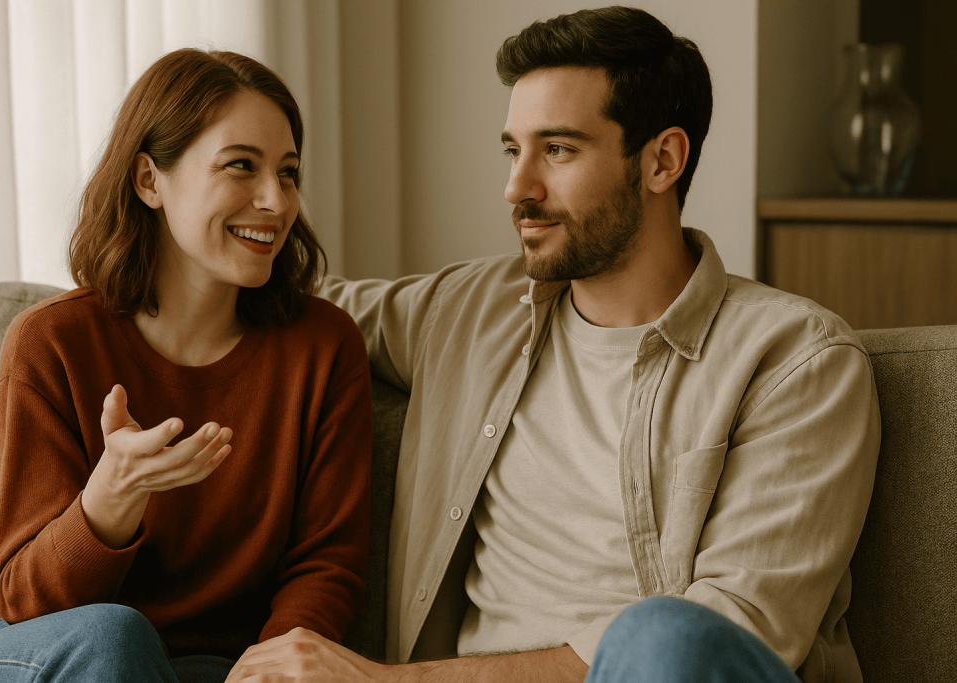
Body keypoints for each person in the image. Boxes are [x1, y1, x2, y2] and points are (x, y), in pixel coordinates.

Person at [222, 6, 881, 683]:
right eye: (514, 151)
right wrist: (172, 236)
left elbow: (730, 627)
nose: (517, 188)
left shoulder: (795, 362)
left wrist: (386, 682)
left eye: (558, 150)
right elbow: (273, 301)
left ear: (662, 160)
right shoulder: (468, 312)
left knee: (663, 635)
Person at [0, 49, 372, 682]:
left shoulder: (323, 348)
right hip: (18, 647)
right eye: (241, 165)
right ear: (148, 181)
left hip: (194, 668)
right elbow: (24, 600)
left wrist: (275, 668)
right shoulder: (51, 343)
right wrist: (111, 498)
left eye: (288, 172)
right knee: (115, 638)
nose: (276, 201)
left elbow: (326, 564)